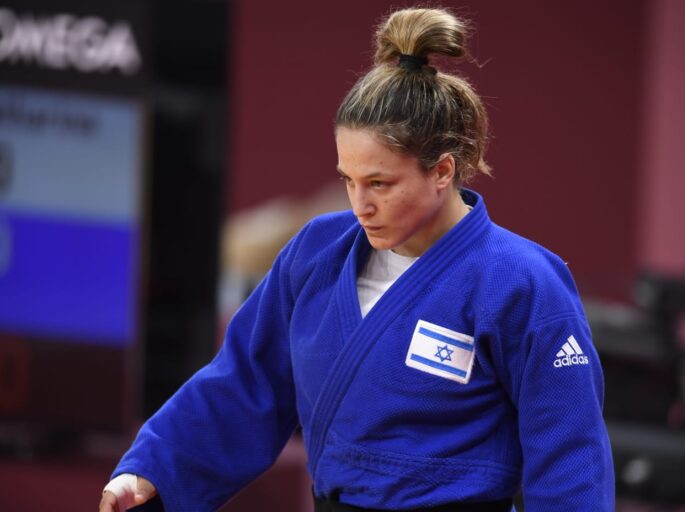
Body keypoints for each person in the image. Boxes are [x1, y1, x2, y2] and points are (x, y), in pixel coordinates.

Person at [100, 6, 614, 512]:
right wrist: (153, 469)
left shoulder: (522, 281)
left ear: (442, 171)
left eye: (379, 183)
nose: (360, 204)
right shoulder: (316, 252)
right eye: (349, 180)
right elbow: (246, 383)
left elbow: (569, 456)